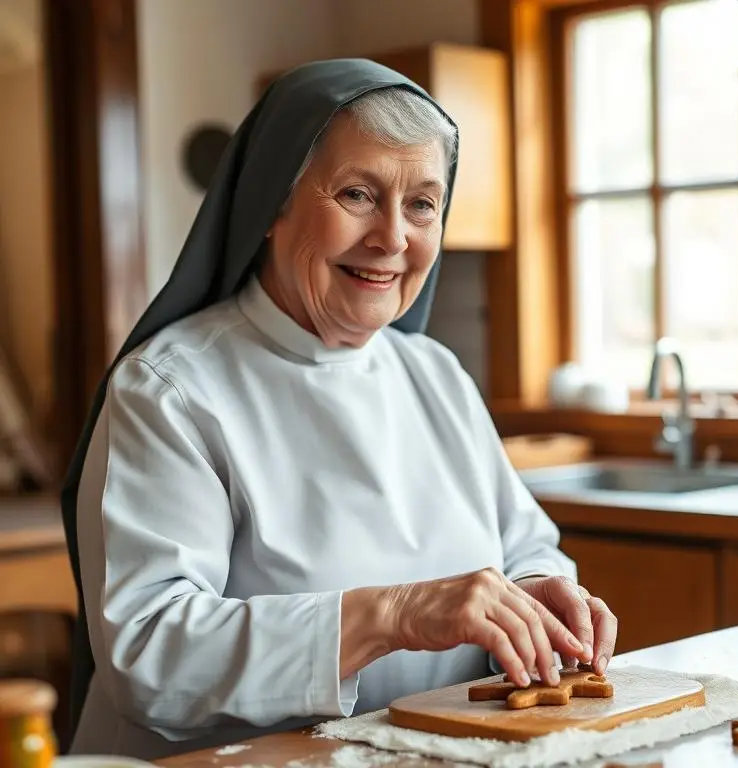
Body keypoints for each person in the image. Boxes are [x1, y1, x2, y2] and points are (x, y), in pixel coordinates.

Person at [59, 59, 618, 760]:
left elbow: (524, 547)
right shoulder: (170, 391)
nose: (392, 237)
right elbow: (150, 654)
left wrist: (540, 590)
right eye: (358, 194)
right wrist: (394, 615)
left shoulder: (434, 374)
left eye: (422, 203)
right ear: (272, 205)